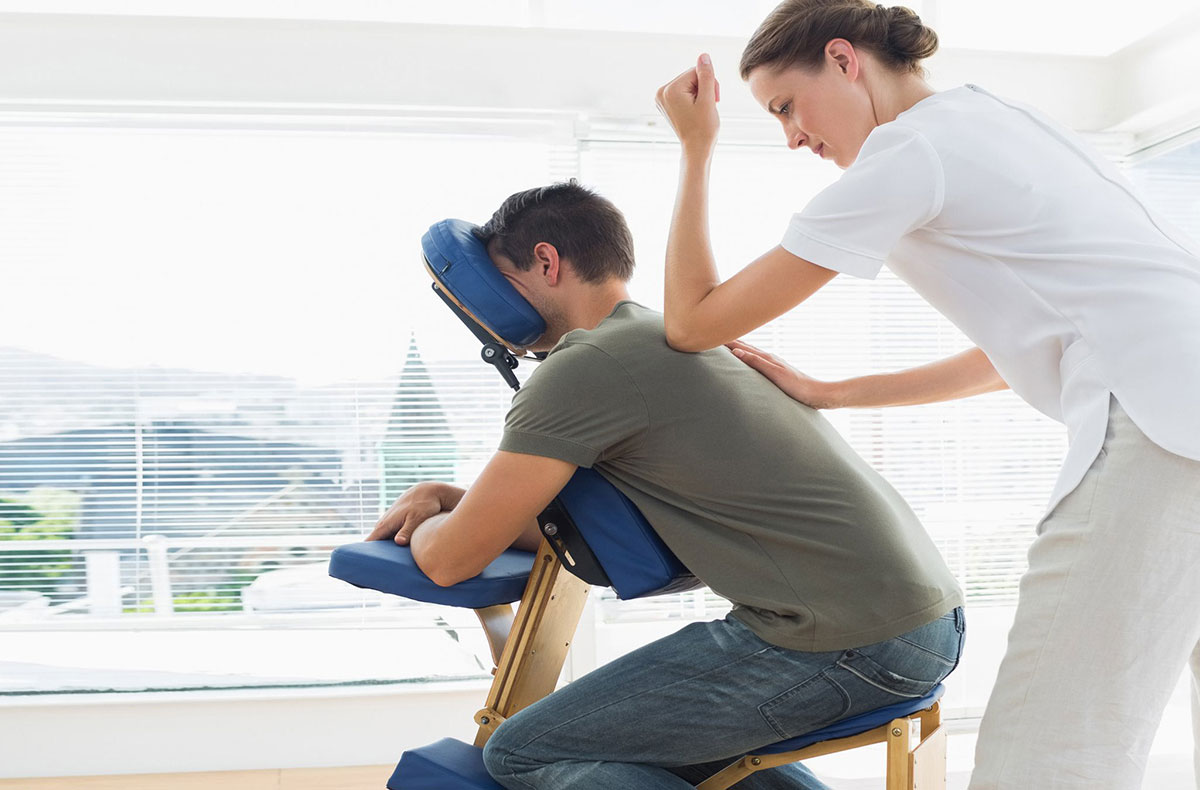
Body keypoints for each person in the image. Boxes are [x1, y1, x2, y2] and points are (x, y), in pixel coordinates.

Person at [653, 2, 1200, 788]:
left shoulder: (907, 153)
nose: (792, 137)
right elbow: (1015, 350)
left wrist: (696, 148)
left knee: (1047, 746)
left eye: (786, 107)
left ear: (844, 60)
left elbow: (693, 322)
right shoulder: (992, 118)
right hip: (1178, 405)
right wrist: (834, 393)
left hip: (1159, 423)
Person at [367, 180, 964, 789]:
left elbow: (450, 560)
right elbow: (588, 524)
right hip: (920, 623)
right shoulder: (674, 338)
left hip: (843, 641)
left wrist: (429, 515)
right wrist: (453, 498)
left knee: (524, 752)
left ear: (547, 261)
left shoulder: (585, 367)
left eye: (502, 278)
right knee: (642, 746)